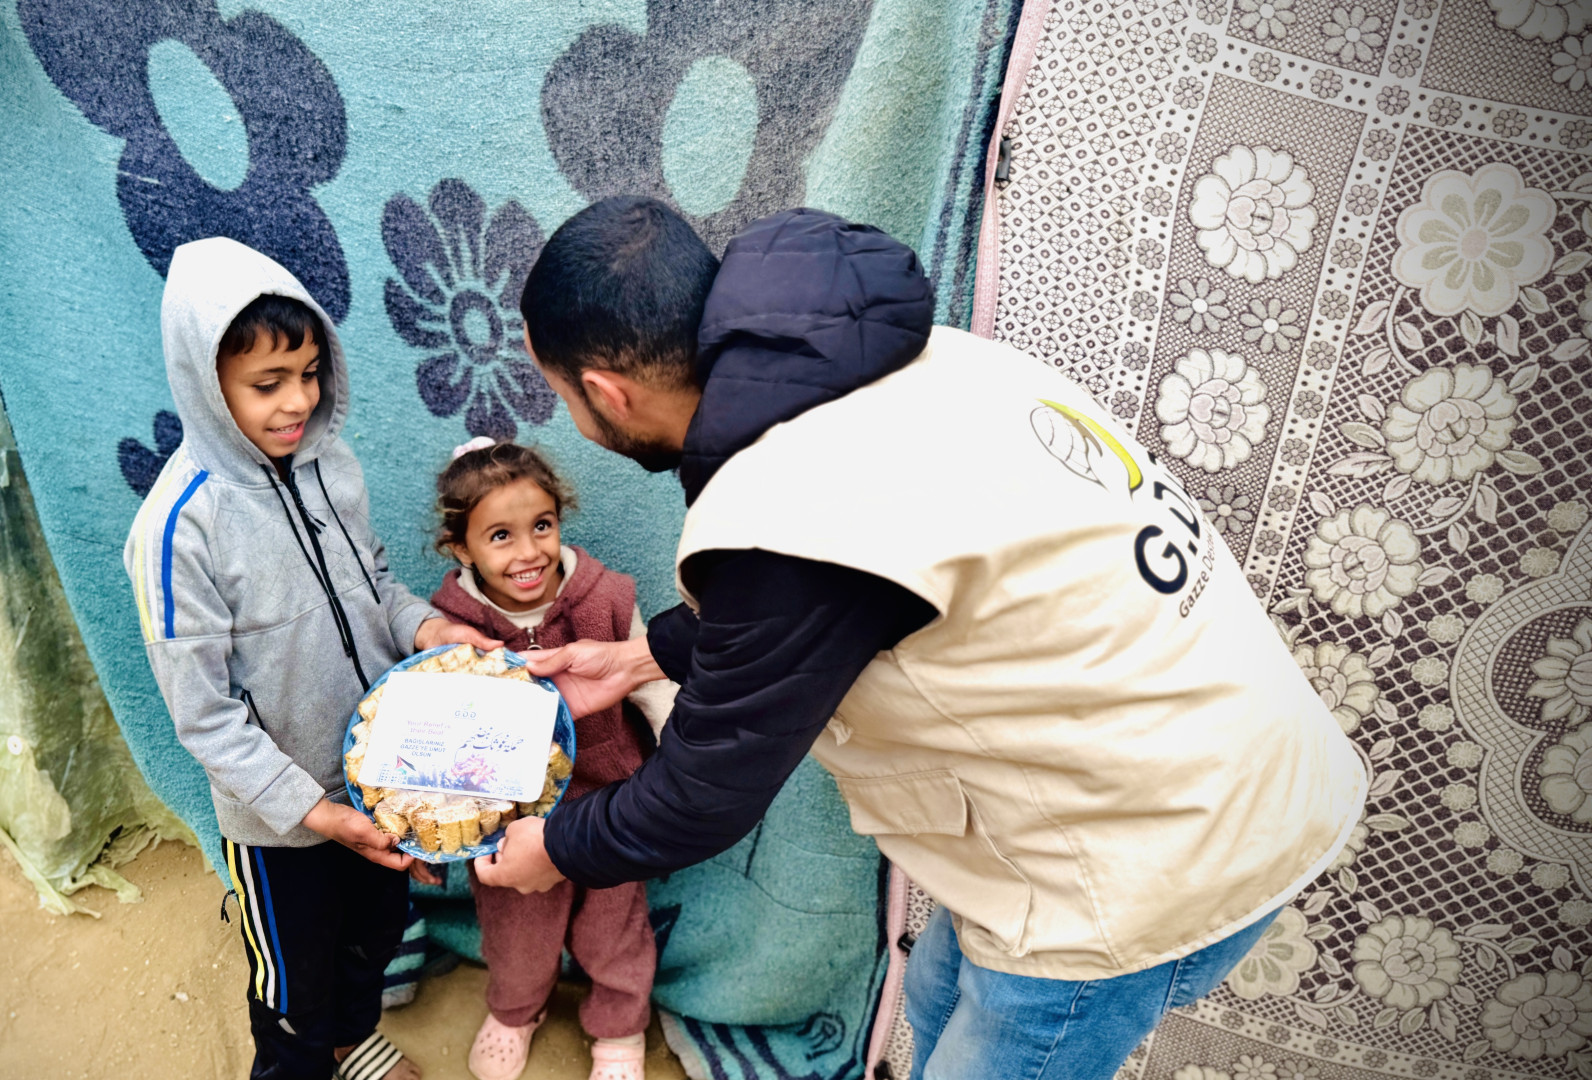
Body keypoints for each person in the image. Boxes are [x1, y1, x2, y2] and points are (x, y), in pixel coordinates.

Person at [472, 200, 1366, 1080]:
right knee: (933, 1005)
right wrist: (641, 657)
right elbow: (835, 610)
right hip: (1218, 754)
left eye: (565, 404)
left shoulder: (787, 499)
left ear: (605, 392)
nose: (579, 427)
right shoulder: (885, 356)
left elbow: (702, 793)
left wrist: (552, 848)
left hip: (1158, 851)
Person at [125, 237, 497, 1080]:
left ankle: (348, 1042)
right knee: (292, 992)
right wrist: (317, 815)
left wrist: (427, 631)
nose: (297, 403)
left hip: (380, 777)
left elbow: (375, 583)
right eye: (267, 385)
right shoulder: (178, 528)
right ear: (203, 381)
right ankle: (304, 1055)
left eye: (310, 372)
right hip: (281, 825)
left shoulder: (333, 463)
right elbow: (206, 718)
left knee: (370, 943)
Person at [415, 437, 674, 1080]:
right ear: (460, 548)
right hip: (505, 819)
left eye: (542, 526)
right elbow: (430, 736)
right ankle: (514, 1010)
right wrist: (423, 833)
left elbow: (654, 683)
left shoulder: (607, 597)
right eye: (499, 535)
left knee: (615, 928)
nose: (528, 551)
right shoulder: (449, 623)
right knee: (516, 931)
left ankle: (619, 1028)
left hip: (612, 802)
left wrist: (677, 771)